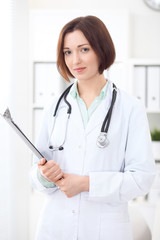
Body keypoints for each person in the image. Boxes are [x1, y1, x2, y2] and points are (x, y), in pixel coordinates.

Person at [30, 15, 156, 240]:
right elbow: (36, 173)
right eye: (67, 52)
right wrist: (44, 176)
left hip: (106, 229)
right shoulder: (54, 107)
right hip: (56, 226)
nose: (75, 60)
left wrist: (86, 184)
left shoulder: (130, 108)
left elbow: (142, 179)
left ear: (101, 49)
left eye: (84, 49)